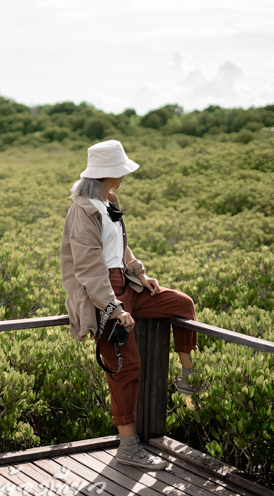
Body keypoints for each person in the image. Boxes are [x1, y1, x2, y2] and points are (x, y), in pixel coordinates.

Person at [60, 139, 198, 470]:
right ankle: (128, 446)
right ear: (108, 173)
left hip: (127, 284)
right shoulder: (83, 210)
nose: (123, 176)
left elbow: (122, 247)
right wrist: (112, 307)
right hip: (104, 294)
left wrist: (140, 273)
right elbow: (89, 267)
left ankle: (188, 377)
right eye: (120, 171)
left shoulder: (110, 200)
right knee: (126, 366)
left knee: (181, 304)